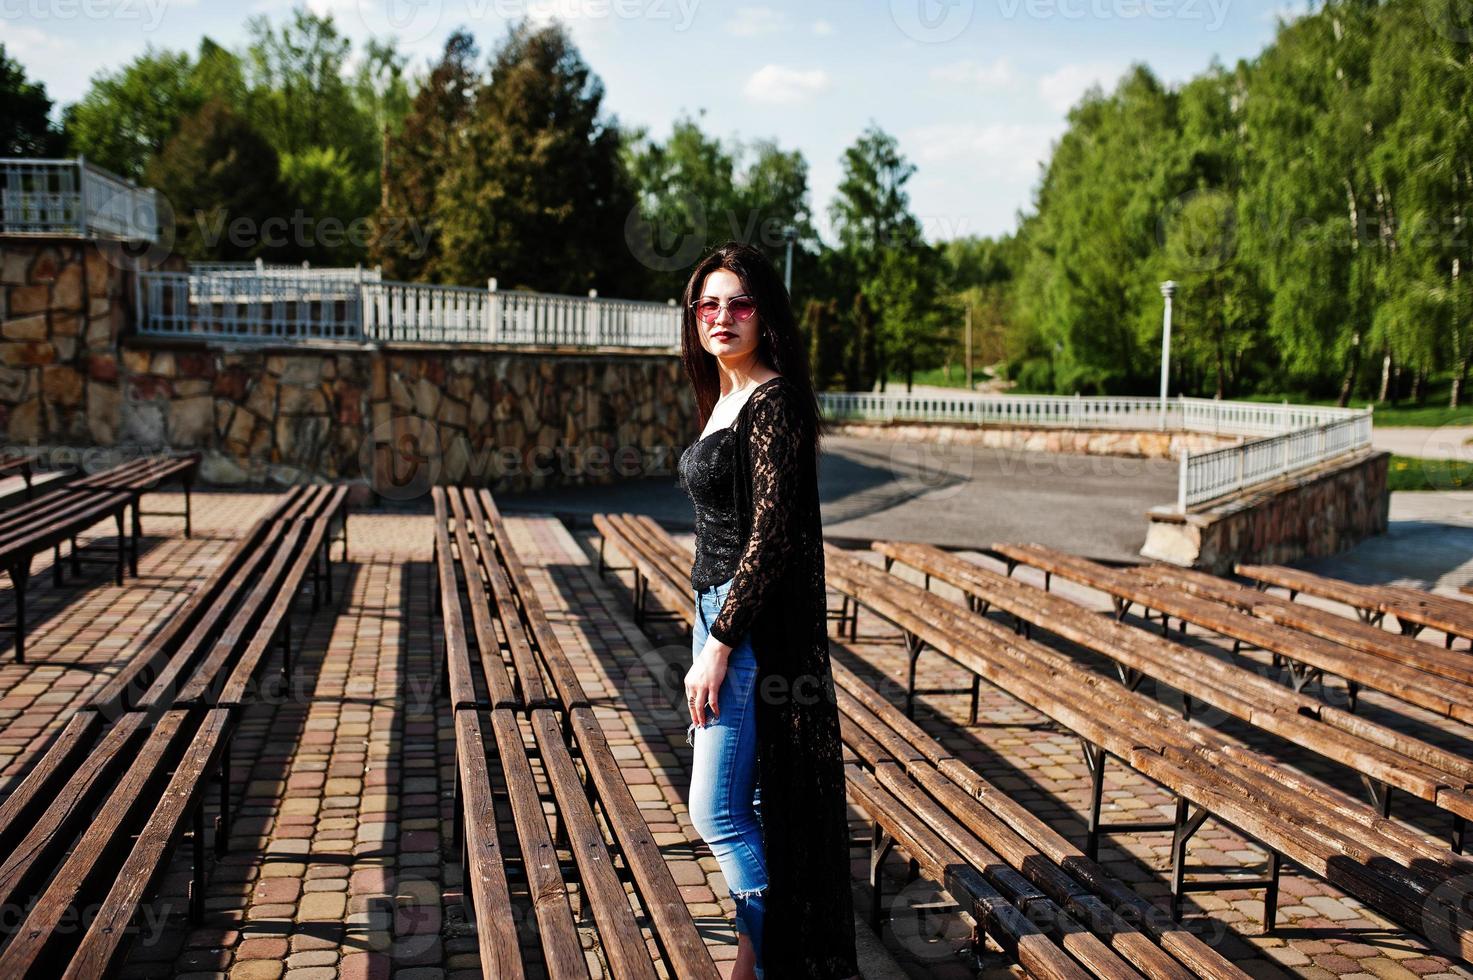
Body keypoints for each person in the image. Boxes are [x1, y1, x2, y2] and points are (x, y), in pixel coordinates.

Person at [675, 241, 858, 979]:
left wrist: (719, 642)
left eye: (740, 303)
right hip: (714, 614)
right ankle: (756, 963)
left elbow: (774, 533)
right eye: (709, 304)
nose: (723, 316)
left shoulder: (772, 401)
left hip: (739, 627)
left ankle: (761, 960)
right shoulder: (725, 396)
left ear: (764, 315)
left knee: (714, 812)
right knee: (741, 800)